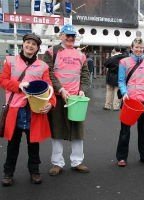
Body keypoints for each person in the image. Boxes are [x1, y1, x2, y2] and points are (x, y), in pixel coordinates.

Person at [0, 33, 56, 186]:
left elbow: (49, 87)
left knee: (33, 144)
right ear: (23, 44)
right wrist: (18, 85)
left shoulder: (43, 66)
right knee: (13, 144)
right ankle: (8, 173)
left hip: (34, 109)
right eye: (28, 43)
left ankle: (35, 172)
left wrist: (51, 103)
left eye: (34, 44)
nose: (30, 46)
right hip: (15, 109)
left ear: (37, 48)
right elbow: (3, 80)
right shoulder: (10, 61)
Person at [43, 24, 90, 175]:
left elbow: (85, 75)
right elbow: (48, 73)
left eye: (73, 36)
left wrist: (82, 90)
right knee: (57, 129)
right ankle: (57, 163)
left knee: (77, 129)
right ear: (61, 35)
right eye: (67, 35)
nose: (70, 38)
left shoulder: (81, 55)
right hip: (57, 96)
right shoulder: (51, 52)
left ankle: (77, 161)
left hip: (76, 98)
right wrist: (60, 89)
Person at [116, 38, 144, 167]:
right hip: (129, 100)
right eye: (136, 47)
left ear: (143, 48)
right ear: (132, 48)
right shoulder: (124, 62)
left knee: (143, 129)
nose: (139, 49)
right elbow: (121, 80)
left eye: (141, 47)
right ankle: (121, 157)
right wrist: (124, 92)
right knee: (125, 130)